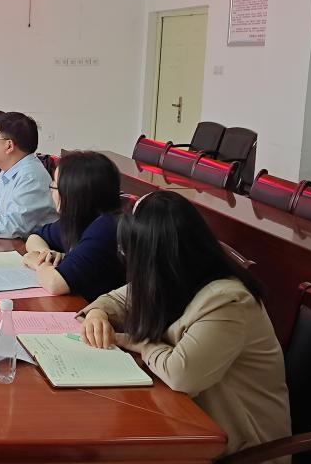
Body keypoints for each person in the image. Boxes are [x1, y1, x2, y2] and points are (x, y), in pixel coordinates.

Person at [80, 191, 291, 457]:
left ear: (154, 256)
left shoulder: (228, 301)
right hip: (185, 424)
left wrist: (138, 343)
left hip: (242, 449)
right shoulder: (174, 277)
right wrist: (97, 314)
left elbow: (182, 375)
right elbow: (116, 300)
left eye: (129, 252)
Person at [22, 151, 125, 301]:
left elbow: (55, 283)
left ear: (72, 193)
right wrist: (45, 253)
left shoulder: (106, 228)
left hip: (95, 311)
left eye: (54, 187)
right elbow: (35, 237)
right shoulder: (81, 217)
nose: (51, 191)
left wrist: (38, 263)